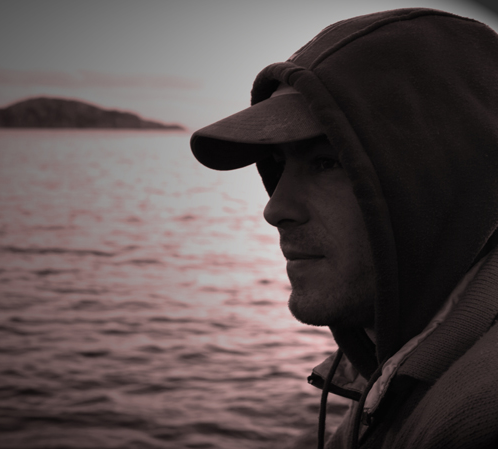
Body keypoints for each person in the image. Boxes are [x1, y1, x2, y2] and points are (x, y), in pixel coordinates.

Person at [190, 8, 498, 449]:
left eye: (326, 163)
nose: (275, 209)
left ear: (440, 181)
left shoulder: (479, 418)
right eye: (278, 164)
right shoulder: (404, 369)